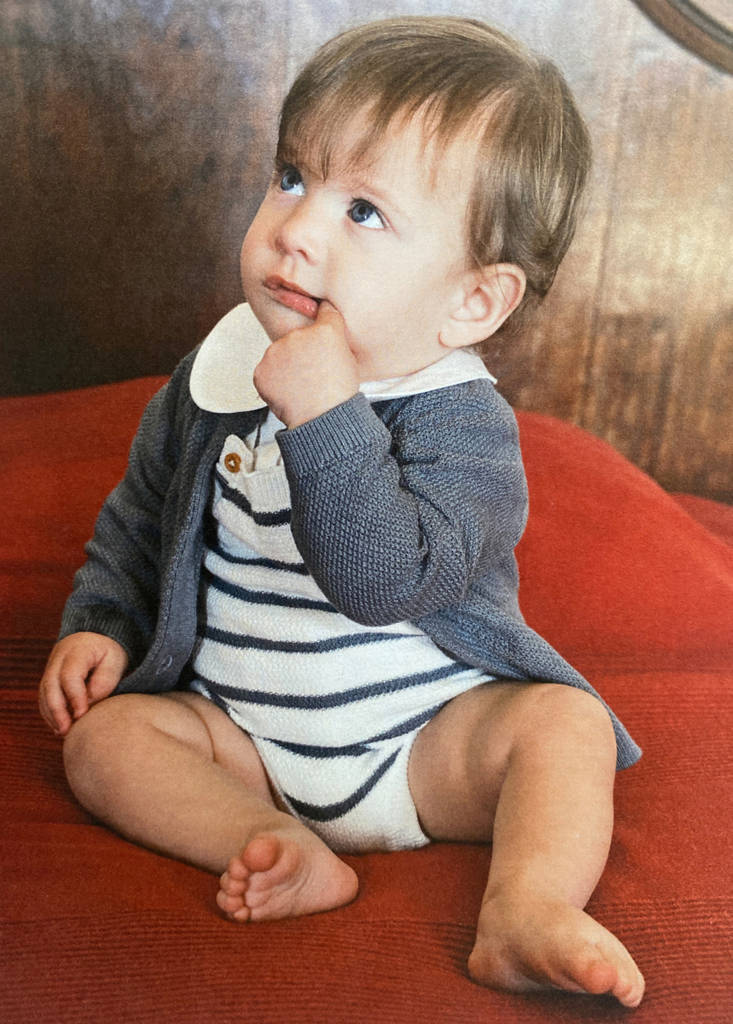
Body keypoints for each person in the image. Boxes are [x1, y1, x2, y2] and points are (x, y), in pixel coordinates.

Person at [38, 16, 645, 1006]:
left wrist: (326, 417)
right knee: (104, 743)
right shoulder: (216, 375)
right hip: (238, 739)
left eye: (363, 210)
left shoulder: (463, 425)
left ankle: (525, 906)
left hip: (423, 746)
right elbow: (138, 521)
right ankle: (268, 842)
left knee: (565, 726)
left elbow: (385, 583)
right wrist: (100, 623)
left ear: (470, 302)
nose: (297, 228)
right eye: (292, 177)